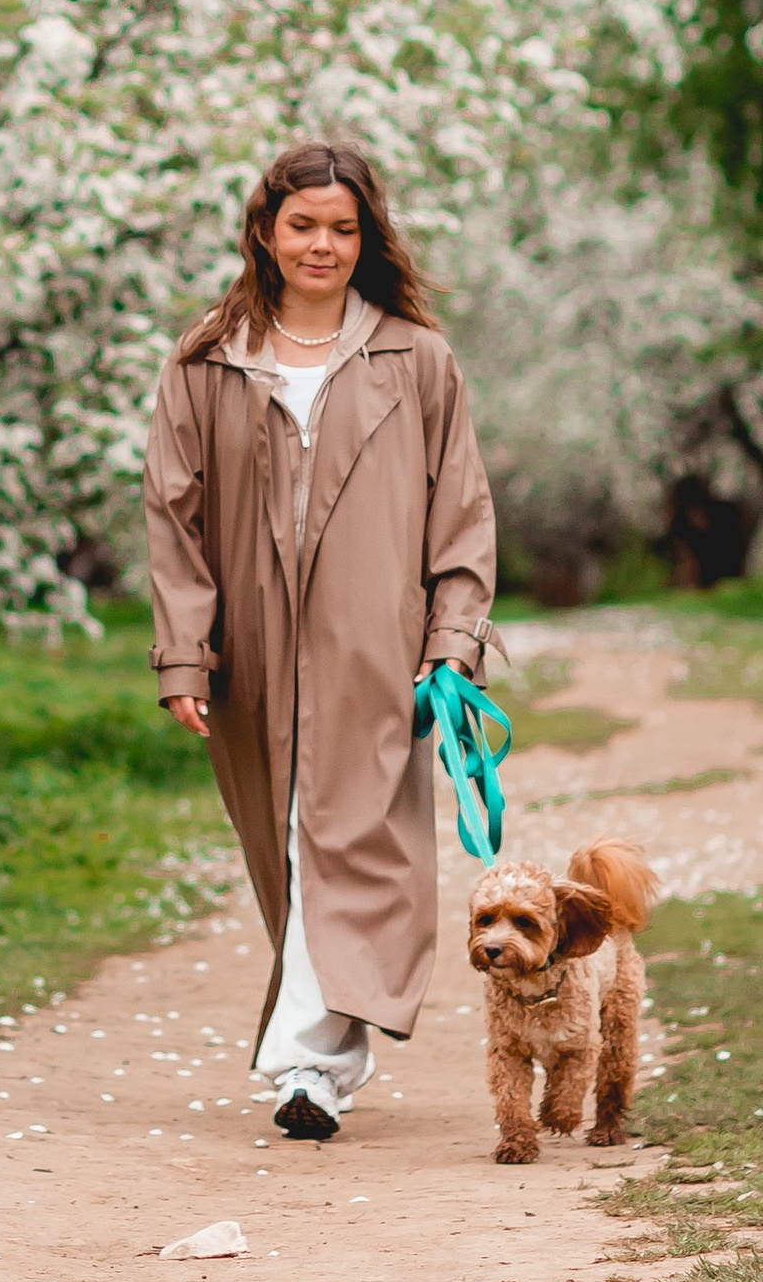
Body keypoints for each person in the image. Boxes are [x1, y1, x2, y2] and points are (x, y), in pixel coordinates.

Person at [143, 139, 498, 1140]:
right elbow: (172, 515)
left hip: (376, 648)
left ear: (366, 237)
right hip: (250, 650)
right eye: (303, 226)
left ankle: (307, 1065)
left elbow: (461, 511)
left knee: (345, 840)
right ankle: (319, 1056)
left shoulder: (414, 358)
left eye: (343, 229)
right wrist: (185, 650)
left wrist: (452, 641)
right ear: (264, 229)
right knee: (290, 846)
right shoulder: (207, 358)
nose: (322, 246)